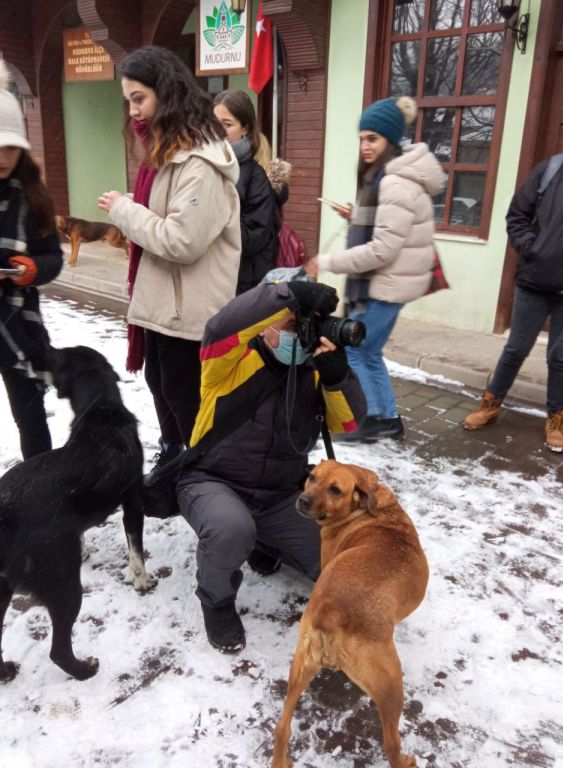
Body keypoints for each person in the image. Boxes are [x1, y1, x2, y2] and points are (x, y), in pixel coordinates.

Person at [175, 269, 367, 654]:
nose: (298, 332)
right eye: (290, 323)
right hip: (213, 482)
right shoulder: (226, 361)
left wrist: (337, 376)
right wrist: (289, 295)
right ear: (262, 325)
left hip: (281, 494)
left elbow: (349, 421)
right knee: (231, 528)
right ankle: (216, 601)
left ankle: (268, 540)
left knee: (337, 558)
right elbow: (221, 326)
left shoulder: (311, 372)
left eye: (304, 325)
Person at [98, 46, 241, 470]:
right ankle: (178, 461)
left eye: (139, 98)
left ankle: (206, 478)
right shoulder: (166, 155)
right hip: (166, 304)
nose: (134, 111)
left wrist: (125, 211)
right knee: (160, 383)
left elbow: (182, 241)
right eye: (128, 101)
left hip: (190, 309)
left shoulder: (200, 164)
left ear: (167, 93)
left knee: (186, 399)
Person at [306, 96, 445, 442]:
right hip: (389, 284)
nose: (365, 146)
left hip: (386, 285)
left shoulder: (395, 181)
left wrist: (325, 262)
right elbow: (391, 228)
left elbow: (382, 249)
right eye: (362, 138)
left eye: (373, 139)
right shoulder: (388, 176)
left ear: (390, 141)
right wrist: (356, 217)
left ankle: (369, 419)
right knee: (369, 351)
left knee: (358, 350)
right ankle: (386, 418)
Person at [463, 143, 563, 452]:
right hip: (534, 282)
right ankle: (490, 404)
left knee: (561, 357)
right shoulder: (551, 169)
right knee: (515, 349)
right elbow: (516, 216)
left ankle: (556, 420)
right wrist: (533, 249)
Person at [0, 61, 63, 460]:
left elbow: (53, 257)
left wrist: (34, 270)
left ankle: (41, 493)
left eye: (9, 146)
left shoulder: (33, 197)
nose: (2, 156)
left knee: (30, 416)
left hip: (17, 324)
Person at [213, 89, 278, 293]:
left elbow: (253, 237)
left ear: (245, 128)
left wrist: (211, 220)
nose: (219, 132)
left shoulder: (255, 177)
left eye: (227, 124)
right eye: (215, 124)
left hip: (242, 284)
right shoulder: (206, 167)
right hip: (213, 278)